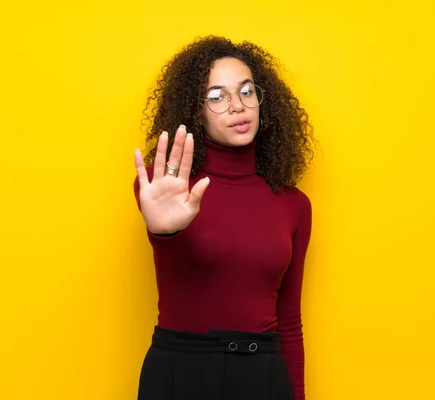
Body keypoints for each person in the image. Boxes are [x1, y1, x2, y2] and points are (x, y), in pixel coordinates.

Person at [132, 35, 315, 400]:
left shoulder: (294, 204)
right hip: (180, 372)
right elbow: (164, 227)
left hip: (263, 374)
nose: (237, 106)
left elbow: (290, 320)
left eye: (246, 92)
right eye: (217, 97)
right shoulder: (166, 188)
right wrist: (164, 232)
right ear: (195, 110)